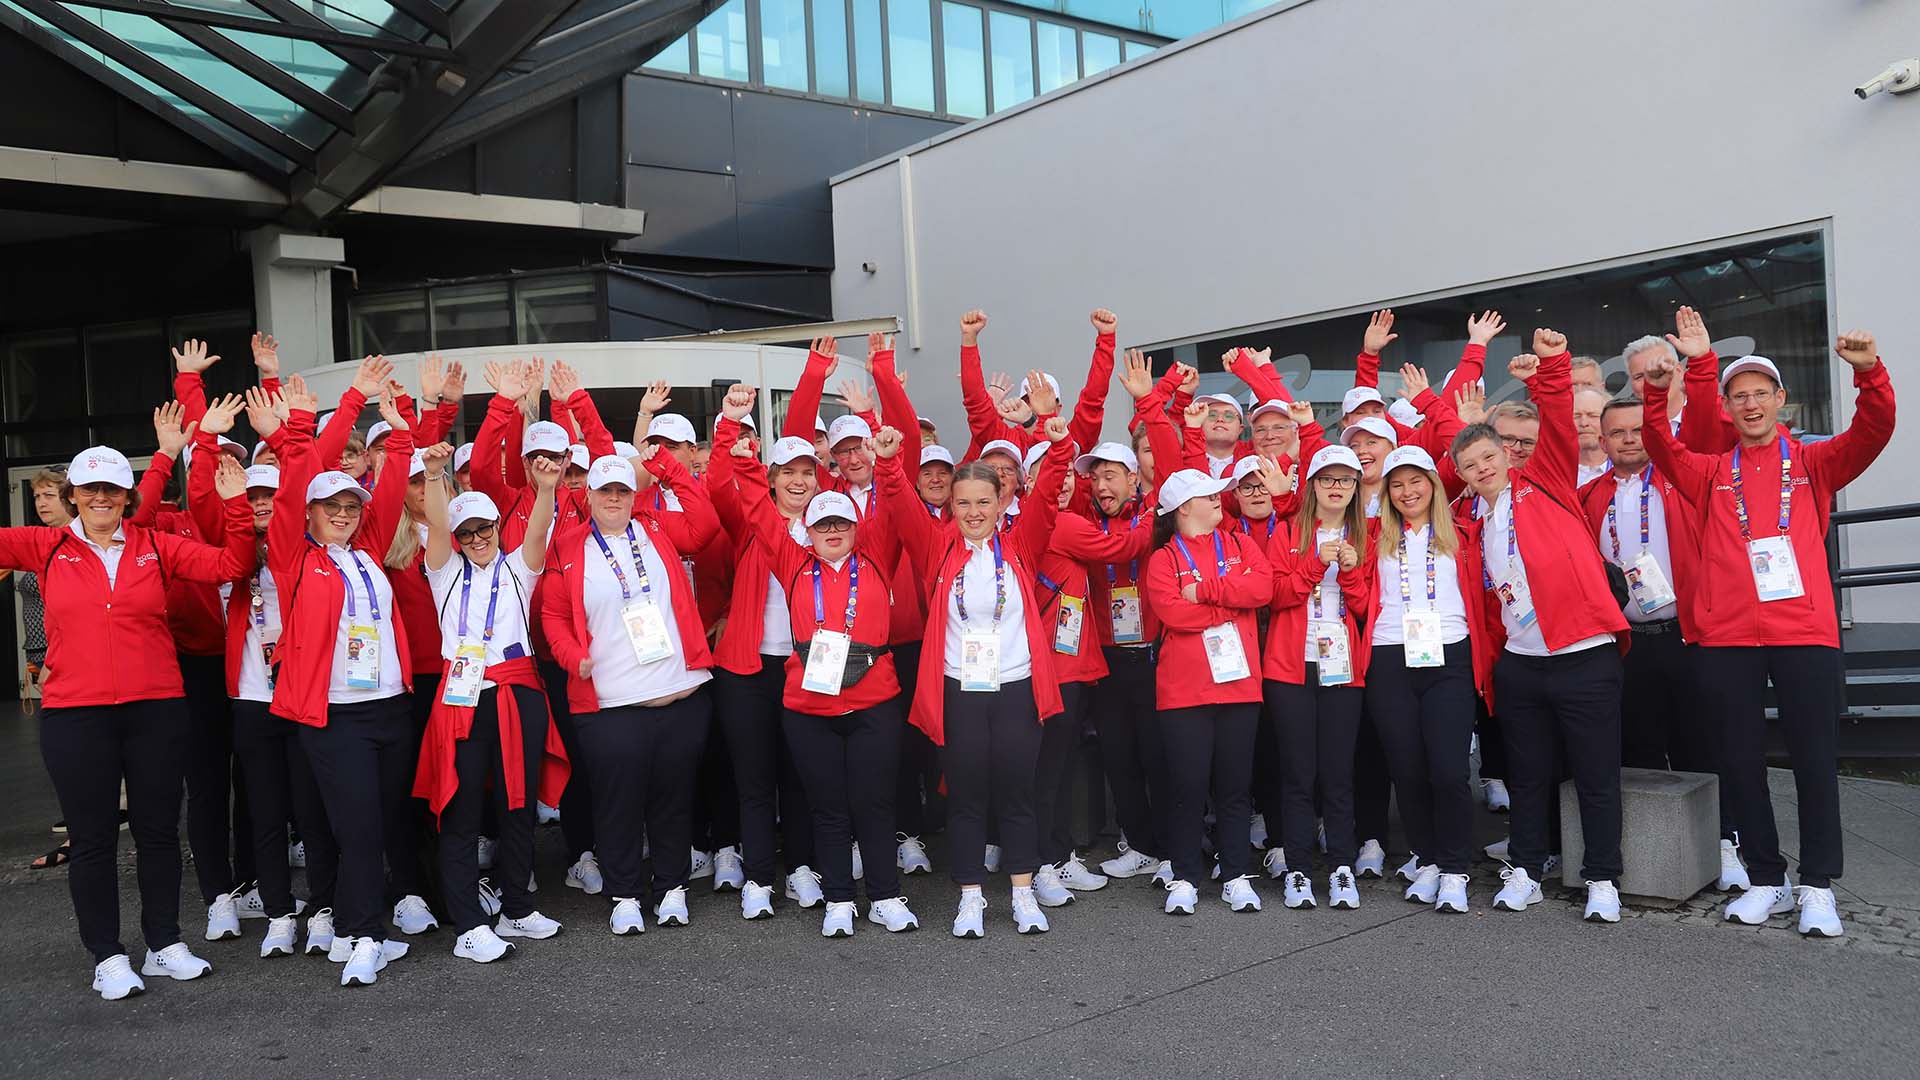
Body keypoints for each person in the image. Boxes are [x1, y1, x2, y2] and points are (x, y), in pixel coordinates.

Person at [1640, 319, 1896, 938]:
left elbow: (1874, 429)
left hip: (1804, 633)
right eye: (1739, 396)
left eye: (1761, 393)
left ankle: (1817, 886)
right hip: (1727, 638)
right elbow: (1662, 448)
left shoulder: (1813, 462)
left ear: (1781, 401)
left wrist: (1869, 373)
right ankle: (1765, 877)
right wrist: (1654, 392)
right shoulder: (1708, 471)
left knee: (1813, 761)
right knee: (1741, 761)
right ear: (1726, 408)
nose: (1750, 403)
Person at [0, 442, 254, 999]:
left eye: (110, 489)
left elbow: (235, 564)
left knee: (159, 832)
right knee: (92, 841)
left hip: (156, 709)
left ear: (126, 497)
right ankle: (107, 956)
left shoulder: (157, 547)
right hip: (76, 715)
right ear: (72, 496)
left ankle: (163, 944)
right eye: (89, 489)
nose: (99, 497)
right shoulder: (45, 546)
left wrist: (236, 505)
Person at [1451, 331, 1629, 924]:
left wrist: (1552, 366)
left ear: (1508, 456)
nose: (1482, 469)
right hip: (1524, 665)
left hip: (1584, 655)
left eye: (1490, 458)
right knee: (1528, 777)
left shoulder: (1547, 482)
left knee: (1596, 777)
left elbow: (1554, 416)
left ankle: (1603, 876)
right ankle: (1526, 869)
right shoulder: (1471, 523)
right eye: (1470, 465)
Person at [729, 402, 923, 937]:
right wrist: (743, 458)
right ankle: (840, 898)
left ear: (856, 526)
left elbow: (894, 508)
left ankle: (884, 895)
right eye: (822, 524)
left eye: (841, 522)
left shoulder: (877, 551)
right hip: (809, 706)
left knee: (874, 803)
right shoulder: (791, 560)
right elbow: (757, 508)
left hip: (874, 700)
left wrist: (888, 463)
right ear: (807, 530)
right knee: (829, 808)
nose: (833, 530)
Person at [879, 413, 1074, 937]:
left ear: (1002, 501)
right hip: (958, 689)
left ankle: (1022, 891)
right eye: (962, 502)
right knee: (965, 797)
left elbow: (1052, 492)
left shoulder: (1021, 542)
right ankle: (969, 897)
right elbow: (898, 499)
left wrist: (1058, 448)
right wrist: (889, 459)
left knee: (1017, 793)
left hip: (1015, 686)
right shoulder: (935, 545)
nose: (972, 512)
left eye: (983, 502)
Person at [265, 372, 423, 986]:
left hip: (389, 709)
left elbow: (388, 490)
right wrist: (326, 413)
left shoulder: (368, 548)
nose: (342, 514)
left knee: (379, 825)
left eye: (350, 506)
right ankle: (359, 936)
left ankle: (368, 928)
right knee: (357, 830)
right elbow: (296, 480)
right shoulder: (293, 555)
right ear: (309, 512)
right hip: (334, 715)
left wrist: (402, 427)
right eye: (330, 506)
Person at [540, 449, 720, 935]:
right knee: (617, 803)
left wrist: (666, 463)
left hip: (680, 694)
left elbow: (705, 524)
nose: (614, 499)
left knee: (673, 798)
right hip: (610, 704)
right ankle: (624, 894)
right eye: (605, 491)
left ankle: (671, 888)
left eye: (623, 490)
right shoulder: (568, 545)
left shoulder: (656, 527)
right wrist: (569, 653)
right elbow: (552, 614)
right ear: (589, 495)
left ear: (634, 494)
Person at [1579, 395, 1745, 888]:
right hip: (1628, 642)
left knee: (1705, 745)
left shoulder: (1682, 479)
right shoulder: (1591, 495)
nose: (1629, 439)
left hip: (1688, 634)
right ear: (1603, 440)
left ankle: (1725, 843)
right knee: (1640, 748)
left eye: (1638, 430)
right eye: (1619, 432)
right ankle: (1654, 855)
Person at [414, 443, 570, 963]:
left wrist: (546, 488)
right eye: (467, 533)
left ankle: (517, 907)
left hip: (517, 694)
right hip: (463, 699)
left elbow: (539, 531)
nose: (478, 539)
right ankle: (468, 925)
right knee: (459, 809)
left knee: (517, 805)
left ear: (497, 529)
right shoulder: (444, 572)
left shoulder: (518, 570)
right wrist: (436, 476)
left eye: (485, 529)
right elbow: (435, 527)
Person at [219, 406, 346, 959]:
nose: (264, 505)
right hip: (251, 699)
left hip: (301, 697)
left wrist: (290, 428)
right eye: (253, 498)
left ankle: (322, 908)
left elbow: (308, 475)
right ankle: (276, 911)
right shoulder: (233, 558)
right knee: (266, 816)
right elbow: (209, 510)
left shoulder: (305, 557)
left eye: (271, 496)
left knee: (313, 814)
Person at [705, 398, 828, 918]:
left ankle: (800, 867)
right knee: (754, 777)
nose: (799, 482)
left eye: (808, 472)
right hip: (748, 668)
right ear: (771, 479)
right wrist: (729, 423)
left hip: (807, 666)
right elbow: (716, 486)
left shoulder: (832, 526)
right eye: (789, 473)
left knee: (801, 773)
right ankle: (758, 876)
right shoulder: (749, 517)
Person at [1143, 465, 1274, 915]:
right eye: (1208, 495)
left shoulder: (1240, 542)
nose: (1220, 498)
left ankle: (1236, 874)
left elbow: (1263, 587)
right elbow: (1172, 613)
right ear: (1183, 508)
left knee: (1236, 789)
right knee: (1187, 788)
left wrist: (1206, 592)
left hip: (1239, 688)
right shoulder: (1164, 557)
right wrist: (1225, 610)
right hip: (1184, 694)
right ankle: (1183, 877)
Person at [1366, 446, 1490, 914]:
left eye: (1416, 481)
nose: (1407, 492)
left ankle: (1455, 867)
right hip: (1388, 655)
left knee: (1449, 770)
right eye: (1396, 485)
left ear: (1434, 485)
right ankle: (1429, 858)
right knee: (1408, 769)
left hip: (1450, 654)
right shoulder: (1374, 534)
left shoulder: (1463, 532)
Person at [1263, 446, 1372, 910]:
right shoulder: (1287, 531)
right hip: (1290, 666)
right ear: (1311, 486)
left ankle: (1343, 866)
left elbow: (1369, 607)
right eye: (1328, 479)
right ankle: (1299, 869)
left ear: (1354, 490)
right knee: (1298, 773)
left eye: (1346, 480)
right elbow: (1273, 595)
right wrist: (1314, 564)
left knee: (1338, 771)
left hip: (1343, 666)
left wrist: (1348, 572)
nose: (1336, 487)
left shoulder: (1367, 536)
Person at [1574, 388, 1612, 486]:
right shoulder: (1555, 472)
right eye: (1576, 416)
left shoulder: (1626, 469)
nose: (1584, 423)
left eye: (1593, 416)